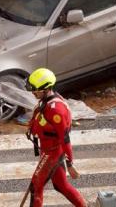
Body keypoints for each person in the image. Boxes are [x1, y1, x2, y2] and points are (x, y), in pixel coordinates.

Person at [24, 68, 86, 207]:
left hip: (52, 152)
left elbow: (65, 139)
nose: (33, 92)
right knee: (61, 185)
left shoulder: (56, 110)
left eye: (35, 89)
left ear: (46, 89)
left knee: (36, 186)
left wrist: (70, 164)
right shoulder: (45, 100)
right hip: (46, 149)